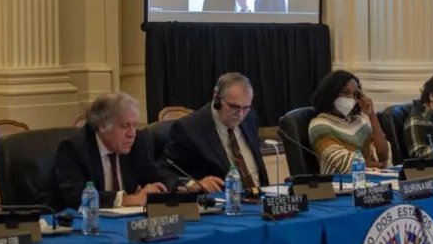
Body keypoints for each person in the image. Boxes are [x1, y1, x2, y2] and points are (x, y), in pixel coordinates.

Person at [47, 92, 177, 211]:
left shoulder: (137, 142)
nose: (132, 134)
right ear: (102, 126)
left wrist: (178, 186)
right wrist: (127, 199)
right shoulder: (74, 148)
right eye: (125, 126)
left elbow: (154, 175)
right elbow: (76, 197)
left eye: (134, 125)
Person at [163, 73, 269, 193]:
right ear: (216, 99)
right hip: (223, 200)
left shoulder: (250, 118)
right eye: (234, 107)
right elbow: (165, 170)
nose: (240, 114)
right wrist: (193, 184)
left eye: (245, 108)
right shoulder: (189, 128)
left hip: (259, 196)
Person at [308, 70, 390, 174]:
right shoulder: (319, 125)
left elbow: (383, 156)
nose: (351, 98)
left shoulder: (359, 122)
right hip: (341, 181)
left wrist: (372, 116)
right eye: (345, 92)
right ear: (331, 93)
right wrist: (370, 164)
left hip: (370, 178)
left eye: (355, 94)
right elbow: (339, 161)